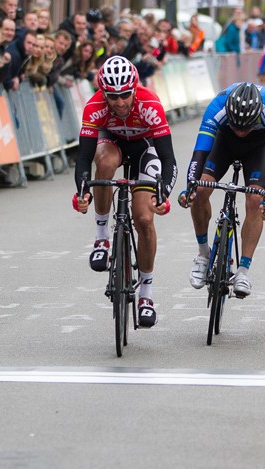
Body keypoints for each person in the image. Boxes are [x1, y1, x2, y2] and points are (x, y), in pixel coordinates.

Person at [73, 56, 177, 328]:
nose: (119, 103)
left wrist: (163, 193)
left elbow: (169, 159)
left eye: (125, 95)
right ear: (103, 93)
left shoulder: (150, 103)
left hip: (145, 147)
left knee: (143, 218)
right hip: (113, 143)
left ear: (134, 89)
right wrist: (83, 192)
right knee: (104, 162)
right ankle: (101, 238)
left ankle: (146, 295)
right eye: (112, 96)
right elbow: (83, 158)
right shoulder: (94, 106)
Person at [183, 82, 265, 298]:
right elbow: (199, 153)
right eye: (236, 126)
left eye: (245, 127)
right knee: (200, 190)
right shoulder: (218, 104)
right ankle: (203, 254)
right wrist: (189, 187)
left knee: (256, 200)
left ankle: (243, 271)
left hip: (258, 148)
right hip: (223, 142)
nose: (240, 132)